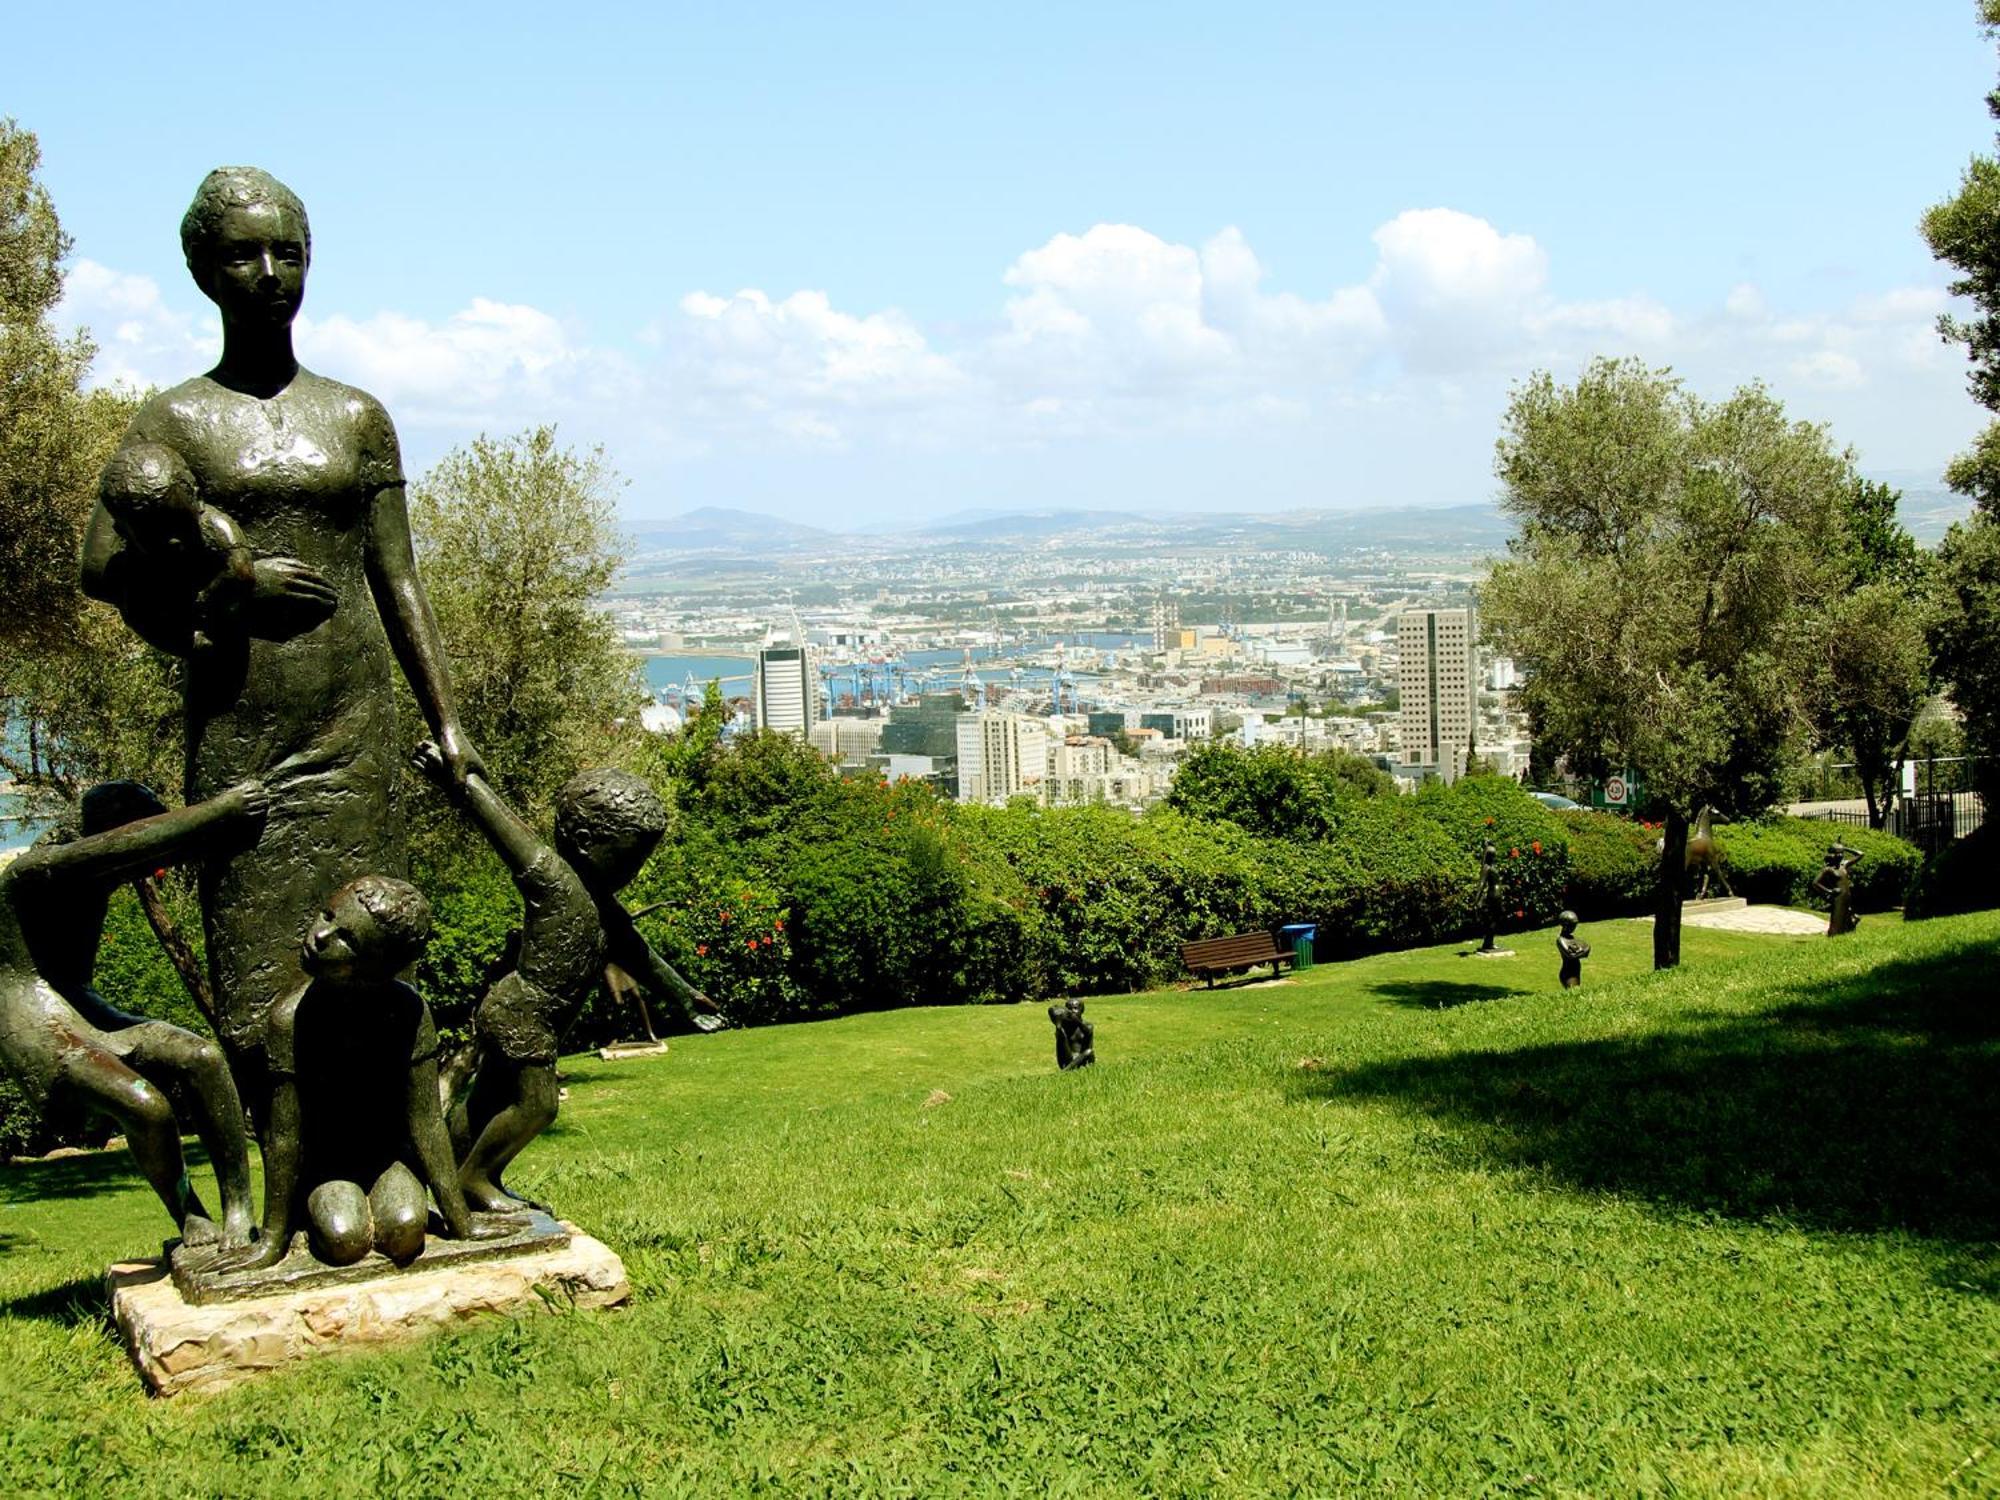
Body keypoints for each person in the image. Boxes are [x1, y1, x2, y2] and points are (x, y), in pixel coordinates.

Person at [80, 167, 480, 1129]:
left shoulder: (355, 416)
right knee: (259, 961)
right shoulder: (173, 420)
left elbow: (400, 581)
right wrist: (226, 591)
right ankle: (287, 1189)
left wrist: (447, 719)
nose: (269, 273)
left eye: (287, 252)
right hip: (243, 732)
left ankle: (392, 1160)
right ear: (201, 271)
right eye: (242, 255)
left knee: (378, 946)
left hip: (355, 726)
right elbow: (102, 567)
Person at [413, 748, 722, 1213]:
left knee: (487, 1102)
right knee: (538, 1106)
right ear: (582, 840)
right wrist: (456, 779)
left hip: (530, 1016)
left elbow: (643, 958)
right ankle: (477, 1179)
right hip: (523, 1013)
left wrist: (686, 998)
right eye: (627, 862)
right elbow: (502, 826)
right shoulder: (551, 879)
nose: (633, 875)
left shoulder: (607, 910)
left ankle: (448, 1181)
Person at [1, 780, 264, 1245]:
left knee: (202, 1057)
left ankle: (239, 1210)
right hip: (34, 1024)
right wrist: (223, 809)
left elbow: (161, 847)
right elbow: (124, 846)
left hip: (81, 1006)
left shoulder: (101, 868)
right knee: (148, 1108)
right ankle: (188, 1214)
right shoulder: (34, 870)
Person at [214, 876, 504, 1273]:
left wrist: (462, 1223)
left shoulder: (410, 1012)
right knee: (343, 1239)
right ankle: (317, 1219)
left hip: (389, 1161)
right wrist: (271, 1240)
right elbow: (284, 1137)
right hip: (326, 1167)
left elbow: (426, 1122)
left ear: (377, 965)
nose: (320, 934)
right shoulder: (290, 1019)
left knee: (404, 1230)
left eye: (346, 938)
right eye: (327, 915)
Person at [97, 440, 255, 659]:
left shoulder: (217, 529)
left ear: (197, 499)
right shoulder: (132, 570)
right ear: (122, 532)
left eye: (180, 525)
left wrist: (210, 603)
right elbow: (141, 616)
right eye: (154, 535)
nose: (173, 541)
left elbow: (240, 570)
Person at [1048, 997, 1095, 1070]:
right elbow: (1060, 1045)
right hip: (1067, 1059)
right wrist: (1058, 1024)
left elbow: (1088, 1031)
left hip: (1084, 1059)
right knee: (1061, 1034)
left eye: (1075, 1008)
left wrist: (1075, 1019)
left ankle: (1065, 1072)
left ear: (1082, 1010)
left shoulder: (1088, 1026)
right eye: (1069, 1009)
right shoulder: (1065, 1027)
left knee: (1089, 1052)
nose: (1072, 1011)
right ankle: (1067, 1069)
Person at [1555, 910, 1590, 989]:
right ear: (1565, 925)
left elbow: (1587, 948)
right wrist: (1583, 951)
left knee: (1577, 990)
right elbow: (1571, 955)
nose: (1574, 928)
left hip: (1575, 971)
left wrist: (1582, 951)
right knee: (1574, 991)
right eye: (1572, 925)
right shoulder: (1561, 940)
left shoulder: (1572, 938)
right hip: (1568, 973)